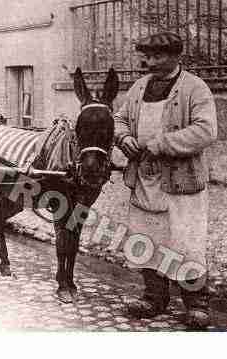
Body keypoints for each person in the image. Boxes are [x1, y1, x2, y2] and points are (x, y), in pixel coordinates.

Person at [114, 32, 217, 329]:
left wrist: (162, 144)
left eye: (159, 56)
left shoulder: (195, 89)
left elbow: (205, 131)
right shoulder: (138, 87)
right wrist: (124, 138)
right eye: (147, 56)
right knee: (146, 238)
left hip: (181, 183)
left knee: (185, 241)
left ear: (177, 57)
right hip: (144, 178)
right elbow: (119, 119)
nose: (151, 62)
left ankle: (196, 304)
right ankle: (153, 298)